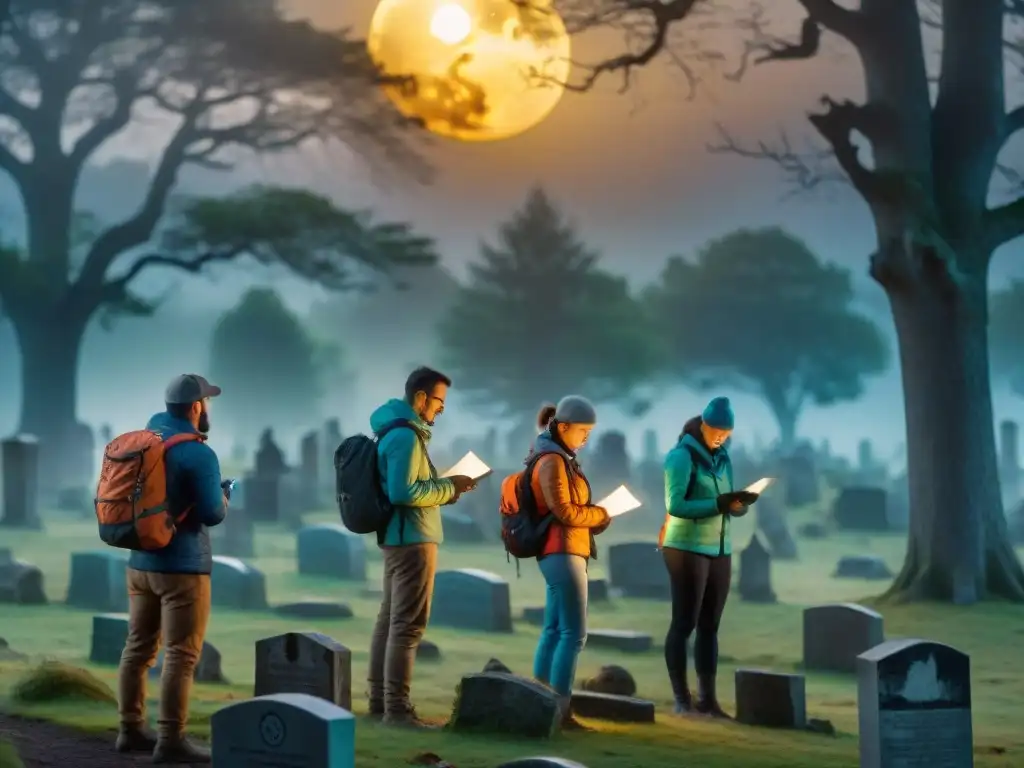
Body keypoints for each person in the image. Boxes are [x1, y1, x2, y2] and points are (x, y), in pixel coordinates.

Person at [116, 374, 229, 763]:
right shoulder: (198, 453)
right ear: (196, 406)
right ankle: (171, 739)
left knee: (138, 648)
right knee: (181, 654)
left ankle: (130, 729)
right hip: (183, 567)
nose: (208, 408)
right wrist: (225, 498)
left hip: (139, 561)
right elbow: (212, 513)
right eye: (207, 402)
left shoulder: (146, 439)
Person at [367, 366, 477, 728]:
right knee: (407, 625)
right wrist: (450, 488)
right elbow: (402, 492)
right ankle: (396, 709)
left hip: (399, 538)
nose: (441, 410)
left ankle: (380, 701)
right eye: (439, 401)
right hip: (413, 538)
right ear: (419, 398)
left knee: (390, 621)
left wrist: (445, 485)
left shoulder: (394, 431)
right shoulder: (405, 437)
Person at [660, 396, 745, 718]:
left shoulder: (724, 459)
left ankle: (708, 700)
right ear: (703, 425)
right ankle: (683, 701)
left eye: (727, 431)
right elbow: (676, 505)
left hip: (719, 549)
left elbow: (725, 501)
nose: (721, 436)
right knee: (684, 623)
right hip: (685, 548)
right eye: (716, 430)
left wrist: (737, 506)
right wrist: (718, 505)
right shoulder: (681, 457)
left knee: (711, 625)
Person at [529, 396, 611, 726]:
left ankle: (538, 703)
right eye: (582, 431)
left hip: (565, 549)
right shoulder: (552, 460)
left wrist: (595, 517)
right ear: (563, 427)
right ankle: (559, 710)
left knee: (553, 630)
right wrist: (600, 514)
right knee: (573, 634)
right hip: (561, 550)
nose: (586, 438)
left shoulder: (560, 456)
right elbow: (563, 511)